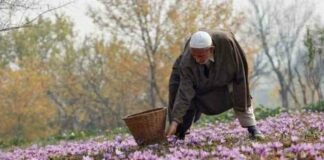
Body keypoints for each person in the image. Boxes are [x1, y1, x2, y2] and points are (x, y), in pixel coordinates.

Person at [165, 30, 264, 140]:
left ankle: (253, 129)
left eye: (200, 56)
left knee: (238, 91)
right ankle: (180, 133)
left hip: (224, 72)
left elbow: (240, 75)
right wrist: (175, 122)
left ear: (211, 49)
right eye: (194, 56)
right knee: (186, 96)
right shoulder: (187, 61)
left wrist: (240, 87)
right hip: (199, 81)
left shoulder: (226, 44)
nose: (197, 60)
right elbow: (184, 92)